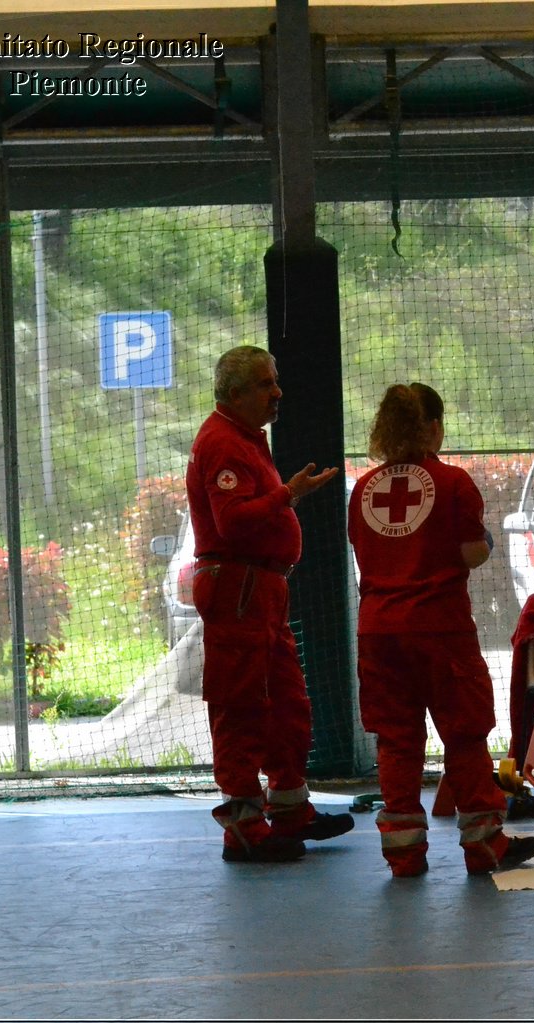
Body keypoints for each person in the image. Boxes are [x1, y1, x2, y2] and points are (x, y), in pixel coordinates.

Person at [348, 382, 534, 878]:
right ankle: (484, 845)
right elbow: (469, 553)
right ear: (433, 427)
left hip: (378, 631)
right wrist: (489, 542)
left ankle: (403, 854)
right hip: (438, 628)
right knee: (464, 734)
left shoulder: (363, 490)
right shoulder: (453, 483)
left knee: (395, 741)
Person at [186, 345, 355, 863]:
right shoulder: (222, 443)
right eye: (265, 384)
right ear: (235, 394)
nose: (277, 392)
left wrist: (286, 496)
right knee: (241, 708)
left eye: (275, 380)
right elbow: (234, 521)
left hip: (260, 592)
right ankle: (242, 826)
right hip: (240, 592)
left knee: (286, 704)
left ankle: (289, 808)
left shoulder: (243, 438)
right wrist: (288, 494)